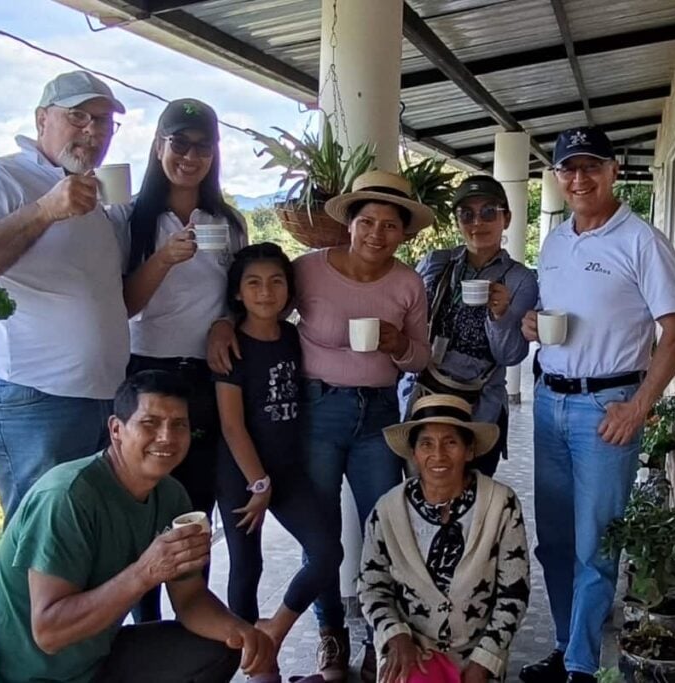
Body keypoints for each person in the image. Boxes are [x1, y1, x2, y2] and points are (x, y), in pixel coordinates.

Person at [0, 370, 276, 683]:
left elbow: (190, 598)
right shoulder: (67, 496)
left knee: (220, 646)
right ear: (116, 429)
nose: (166, 437)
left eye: (179, 425)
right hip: (21, 676)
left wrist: (245, 634)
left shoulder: (171, 495)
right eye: (150, 423)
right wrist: (145, 572)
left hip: (93, 664)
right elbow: (49, 633)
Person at [518, 127, 675, 683]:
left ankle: (581, 666)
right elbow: (553, 314)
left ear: (614, 170)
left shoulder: (642, 241)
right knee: (555, 543)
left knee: (595, 546)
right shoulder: (555, 241)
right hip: (549, 401)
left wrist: (639, 406)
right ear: (556, 177)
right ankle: (566, 646)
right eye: (568, 168)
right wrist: (531, 325)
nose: (579, 178)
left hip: (607, 409)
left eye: (591, 166)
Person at [0, 71, 131, 523]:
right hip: (35, 400)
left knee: (86, 536)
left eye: (103, 120)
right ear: (42, 119)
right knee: (41, 538)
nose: (93, 130)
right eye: (78, 116)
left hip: (102, 400)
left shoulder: (95, 193)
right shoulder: (2, 178)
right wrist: (45, 210)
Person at [294, 170, 433, 682]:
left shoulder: (408, 282)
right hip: (318, 410)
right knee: (320, 533)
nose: (377, 233)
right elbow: (263, 314)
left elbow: (420, 358)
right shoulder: (308, 270)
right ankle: (331, 634)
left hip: (378, 414)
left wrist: (399, 345)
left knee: (385, 529)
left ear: (403, 233)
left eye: (390, 225)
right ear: (349, 224)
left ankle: (381, 636)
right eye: (368, 221)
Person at [122, 98, 247, 621]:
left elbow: (240, 297)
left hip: (204, 379)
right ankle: (146, 629)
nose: (190, 156)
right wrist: (164, 259)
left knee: (194, 508)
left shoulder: (228, 222)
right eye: (179, 143)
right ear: (159, 146)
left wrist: (225, 322)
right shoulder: (131, 219)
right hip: (145, 374)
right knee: (141, 504)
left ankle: (191, 627)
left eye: (202, 146)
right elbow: (123, 304)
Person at [214, 243, 343, 680]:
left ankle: (275, 628)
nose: (265, 292)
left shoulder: (291, 336)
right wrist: (258, 483)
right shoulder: (232, 345)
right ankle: (258, 667)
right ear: (237, 292)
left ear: (289, 289)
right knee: (246, 567)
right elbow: (232, 425)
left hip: (288, 473)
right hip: (242, 476)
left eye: (276, 282)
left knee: (327, 551)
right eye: (253, 283)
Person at [358, 394, 530, 683]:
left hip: (475, 656)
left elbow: (514, 594)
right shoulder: (387, 510)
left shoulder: (501, 504)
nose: (438, 455)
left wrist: (484, 661)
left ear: (469, 450)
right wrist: (396, 635)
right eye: (426, 444)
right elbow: (371, 586)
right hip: (412, 653)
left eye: (451, 442)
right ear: (413, 453)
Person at [399, 175, 538, 477]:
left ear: (506, 218)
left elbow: (510, 356)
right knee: (420, 490)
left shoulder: (520, 279)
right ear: (457, 221)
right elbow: (408, 317)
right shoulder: (437, 262)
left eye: (488, 212)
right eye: (466, 214)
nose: (477, 222)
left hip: (480, 408)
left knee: (472, 495)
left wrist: (501, 316)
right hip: (424, 399)